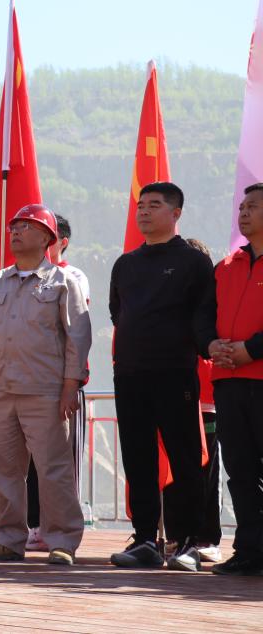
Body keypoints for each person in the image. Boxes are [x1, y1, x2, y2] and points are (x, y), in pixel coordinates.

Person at [0, 205, 91, 565]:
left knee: (53, 469)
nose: (16, 232)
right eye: (14, 227)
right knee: (4, 469)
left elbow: (77, 337)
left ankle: (62, 540)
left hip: (46, 391)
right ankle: (8, 539)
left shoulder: (62, 282)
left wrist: (70, 386)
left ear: (47, 237)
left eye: (26, 227)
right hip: (1, 390)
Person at [108, 182, 214, 572]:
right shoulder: (126, 264)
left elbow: (204, 315)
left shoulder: (193, 262)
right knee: (138, 459)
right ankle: (145, 540)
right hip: (130, 374)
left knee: (185, 459)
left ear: (176, 213)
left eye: (154, 205)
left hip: (175, 373)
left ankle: (187, 542)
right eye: (141, 205)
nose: (144, 211)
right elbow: (117, 313)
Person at [196, 182, 263, 576]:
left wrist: (251, 349)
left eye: (253, 206)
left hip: (259, 374)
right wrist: (210, 344)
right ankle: (249, 549)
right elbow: (203, 316)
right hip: (228, 380)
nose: (244, 213)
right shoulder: (225, 266)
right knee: (240, 469)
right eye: (241, 207)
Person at [25, 213, 91, 551]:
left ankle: (62, 528)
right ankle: (35, 524)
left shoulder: (72, 277)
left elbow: (76, 331)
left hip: (62, 384)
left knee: (61, 461)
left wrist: (70, 381)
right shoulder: (18, 277)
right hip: (26, 383)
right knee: (30, 461)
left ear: (59, 242)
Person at [161, 239, 222, 562]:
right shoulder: (171, 298)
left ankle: (206, 538)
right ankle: (175, 536)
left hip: (207, 400)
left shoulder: (214, 300)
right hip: (172, 394)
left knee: (206, 471)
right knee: (173, 471)